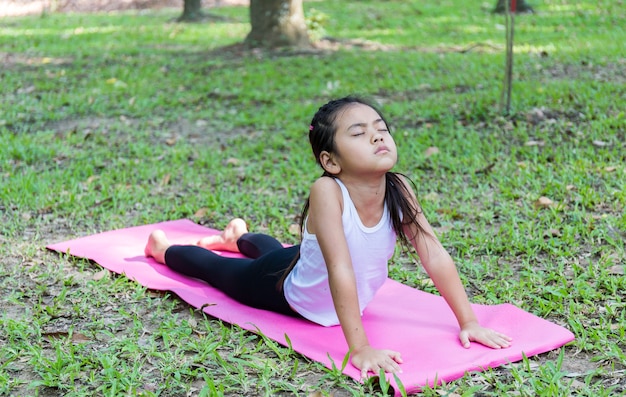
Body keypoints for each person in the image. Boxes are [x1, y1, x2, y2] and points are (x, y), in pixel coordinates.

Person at [145, 96, 512, 379]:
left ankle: (238, 235)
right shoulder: (327, 191)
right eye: (358, 133)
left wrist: (469, 321)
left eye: (380, 127)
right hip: (289, 292)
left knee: (285, 252)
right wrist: (360, 348)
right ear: (331, 161)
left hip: (301, 264)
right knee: (219, 270)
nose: (377, 135)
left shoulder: (398, 188)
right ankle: (162, 249)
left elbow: (434, 254)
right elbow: (339, 266)